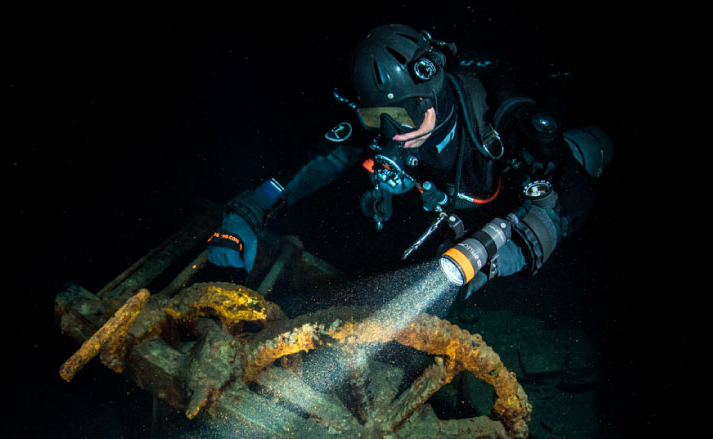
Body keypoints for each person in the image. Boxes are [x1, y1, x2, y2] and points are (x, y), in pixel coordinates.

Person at [206, 23, 612, 299]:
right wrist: (252, 209)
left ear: (430, 95)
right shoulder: (385, 124)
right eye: (374, 120)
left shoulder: (502, 117)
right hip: (445, 216)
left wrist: (501, 259)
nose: (390, 134)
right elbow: (312, 165)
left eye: (401, 117)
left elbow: (575, 198)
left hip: (499, 203)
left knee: (573, 164)